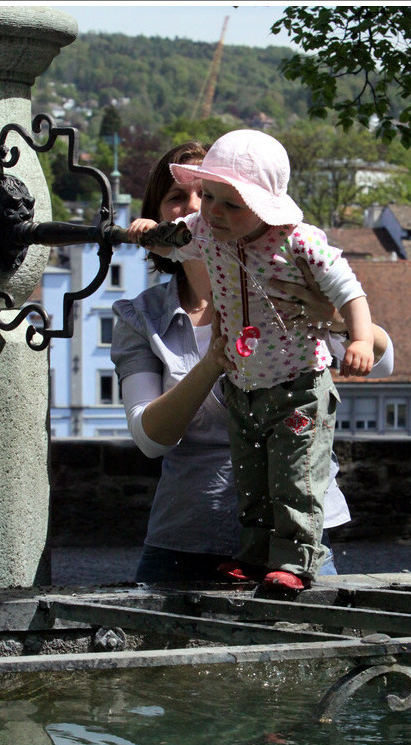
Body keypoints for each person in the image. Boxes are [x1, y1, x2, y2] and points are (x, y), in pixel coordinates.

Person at [125, 130, 375, 592]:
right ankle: (257, 550)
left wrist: (335, 320)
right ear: (159, 210)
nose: (205, 209)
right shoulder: (142, 316)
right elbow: (149, 439)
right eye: (182, 196)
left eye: (218, 197)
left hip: (295, 419)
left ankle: (292, 553)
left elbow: (382, 356)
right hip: (185, 536)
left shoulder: (291, 255)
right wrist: (212, 363)